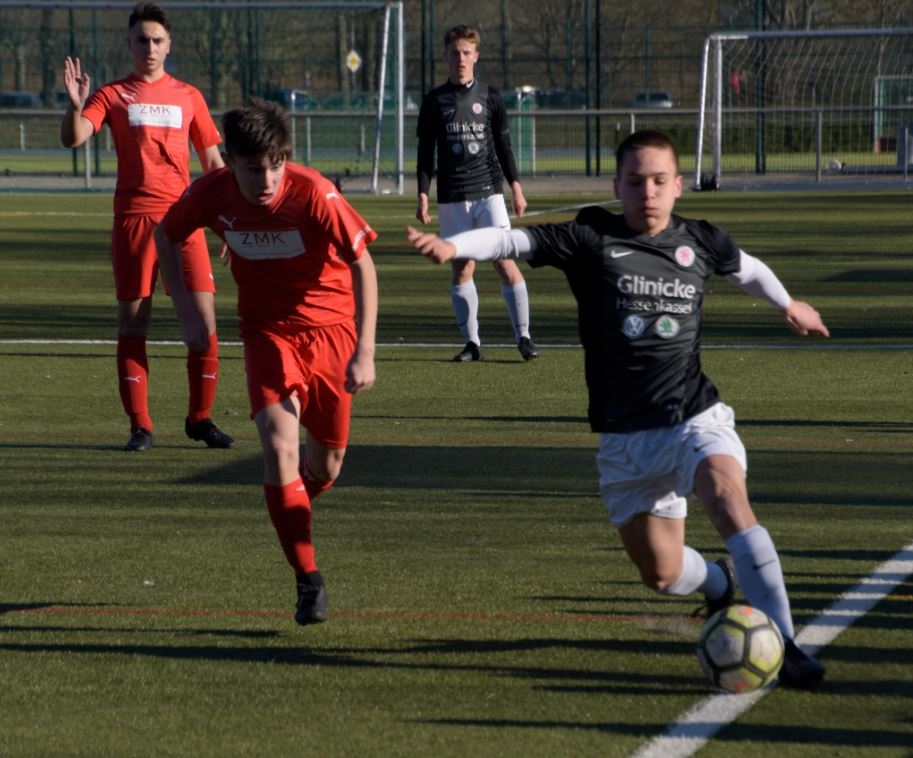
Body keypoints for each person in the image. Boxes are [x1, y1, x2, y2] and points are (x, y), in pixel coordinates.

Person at [407, 129, 829, 688]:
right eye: (635, 182)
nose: (647, 192)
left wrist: (788, 304)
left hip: (693, 418)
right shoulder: (590, 237)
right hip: (625, 440)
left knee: (727, 496)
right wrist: (455, 246)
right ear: (617, 185)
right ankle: (719, 585)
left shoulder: (701, 241)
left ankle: (786, 642)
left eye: (658, 181)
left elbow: (746, 268)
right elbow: (513, 241)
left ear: (677, 186)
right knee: (662, 573)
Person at [154, 98, 378, 625]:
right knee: (279, 448)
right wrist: (185, 310)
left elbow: (363, 265)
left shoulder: (314, 191)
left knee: (326, 467)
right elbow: (166, 233)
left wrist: (365, 351)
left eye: (276, 165)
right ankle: (308, 579)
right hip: (267, 335)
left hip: (332, 335)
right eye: (254, 169)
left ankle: (288, 504)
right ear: (229, 161)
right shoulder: (211, 192)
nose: (268, 179)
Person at [60, 1, 234, 452]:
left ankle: (200, 419)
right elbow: (74, 137)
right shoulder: (112, 94)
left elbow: (214, 166)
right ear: (129, 43)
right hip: (134, 221)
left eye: (157, 40)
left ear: (169, 45)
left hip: (185, 221)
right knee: (134, 324)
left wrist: (228, 225)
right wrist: (75, 107)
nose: (150, 47)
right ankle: (140, 426)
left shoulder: (189, 96)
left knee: (205, 325)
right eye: (142, 40)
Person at [415, 24, 539, 363]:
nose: (460, 58)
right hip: (452, 196)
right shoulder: (434, 101)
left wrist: (516, 187)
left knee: (504, 261)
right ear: (446, 56)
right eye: (454, 52)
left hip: (489, 192)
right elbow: (425, 154)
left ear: (476, 56)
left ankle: (524, 337)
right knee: (462, 267)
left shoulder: (491, 97)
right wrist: (423, 193)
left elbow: (504, 146)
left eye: (466, 52)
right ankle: (472, 344)